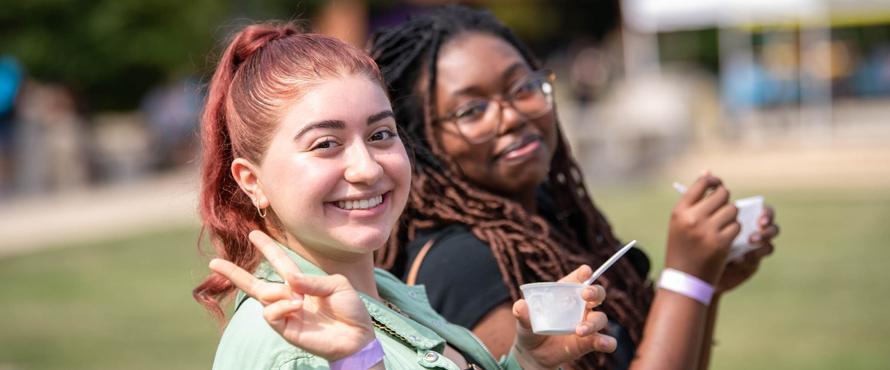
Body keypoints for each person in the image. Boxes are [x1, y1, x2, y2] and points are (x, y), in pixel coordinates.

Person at [369, 6, 780, 370]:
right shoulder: (461, 263)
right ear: (420, 140)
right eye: (472, 110)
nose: (511, 115)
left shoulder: (551, 219)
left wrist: (708, 283)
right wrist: (685, 277)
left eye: (522, 87)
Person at [192, 22, 619, 370]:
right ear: (251, 180)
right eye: (326, 144)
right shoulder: (291, 343)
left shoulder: (384, 291)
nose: (368, 168)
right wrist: (356, 362)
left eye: (381, 134)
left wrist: (527, 363)